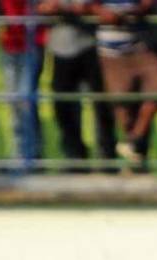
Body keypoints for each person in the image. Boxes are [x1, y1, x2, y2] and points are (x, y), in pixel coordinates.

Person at [38, 0, 118, 168]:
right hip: (61, 48)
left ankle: (108, 156)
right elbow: (42, 7)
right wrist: (56, 7)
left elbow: (97, 8)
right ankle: (75, 156)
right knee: (62, 104)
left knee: (102, 103)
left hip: (92, 44)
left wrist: (84, 8)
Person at [91, 0, 157, 167]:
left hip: (141, 46)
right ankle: (134, 158)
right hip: (110, 53)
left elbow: (149, 3)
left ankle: (134, 140)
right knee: (122, 109)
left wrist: (137, 10)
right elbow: (87, 5)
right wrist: (101, 11)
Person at [0, 0, 48, 167]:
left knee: (25, 99)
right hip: (9, 45)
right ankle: (20, 154)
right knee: (14, 101)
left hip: (32, 43)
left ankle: (31, 154)